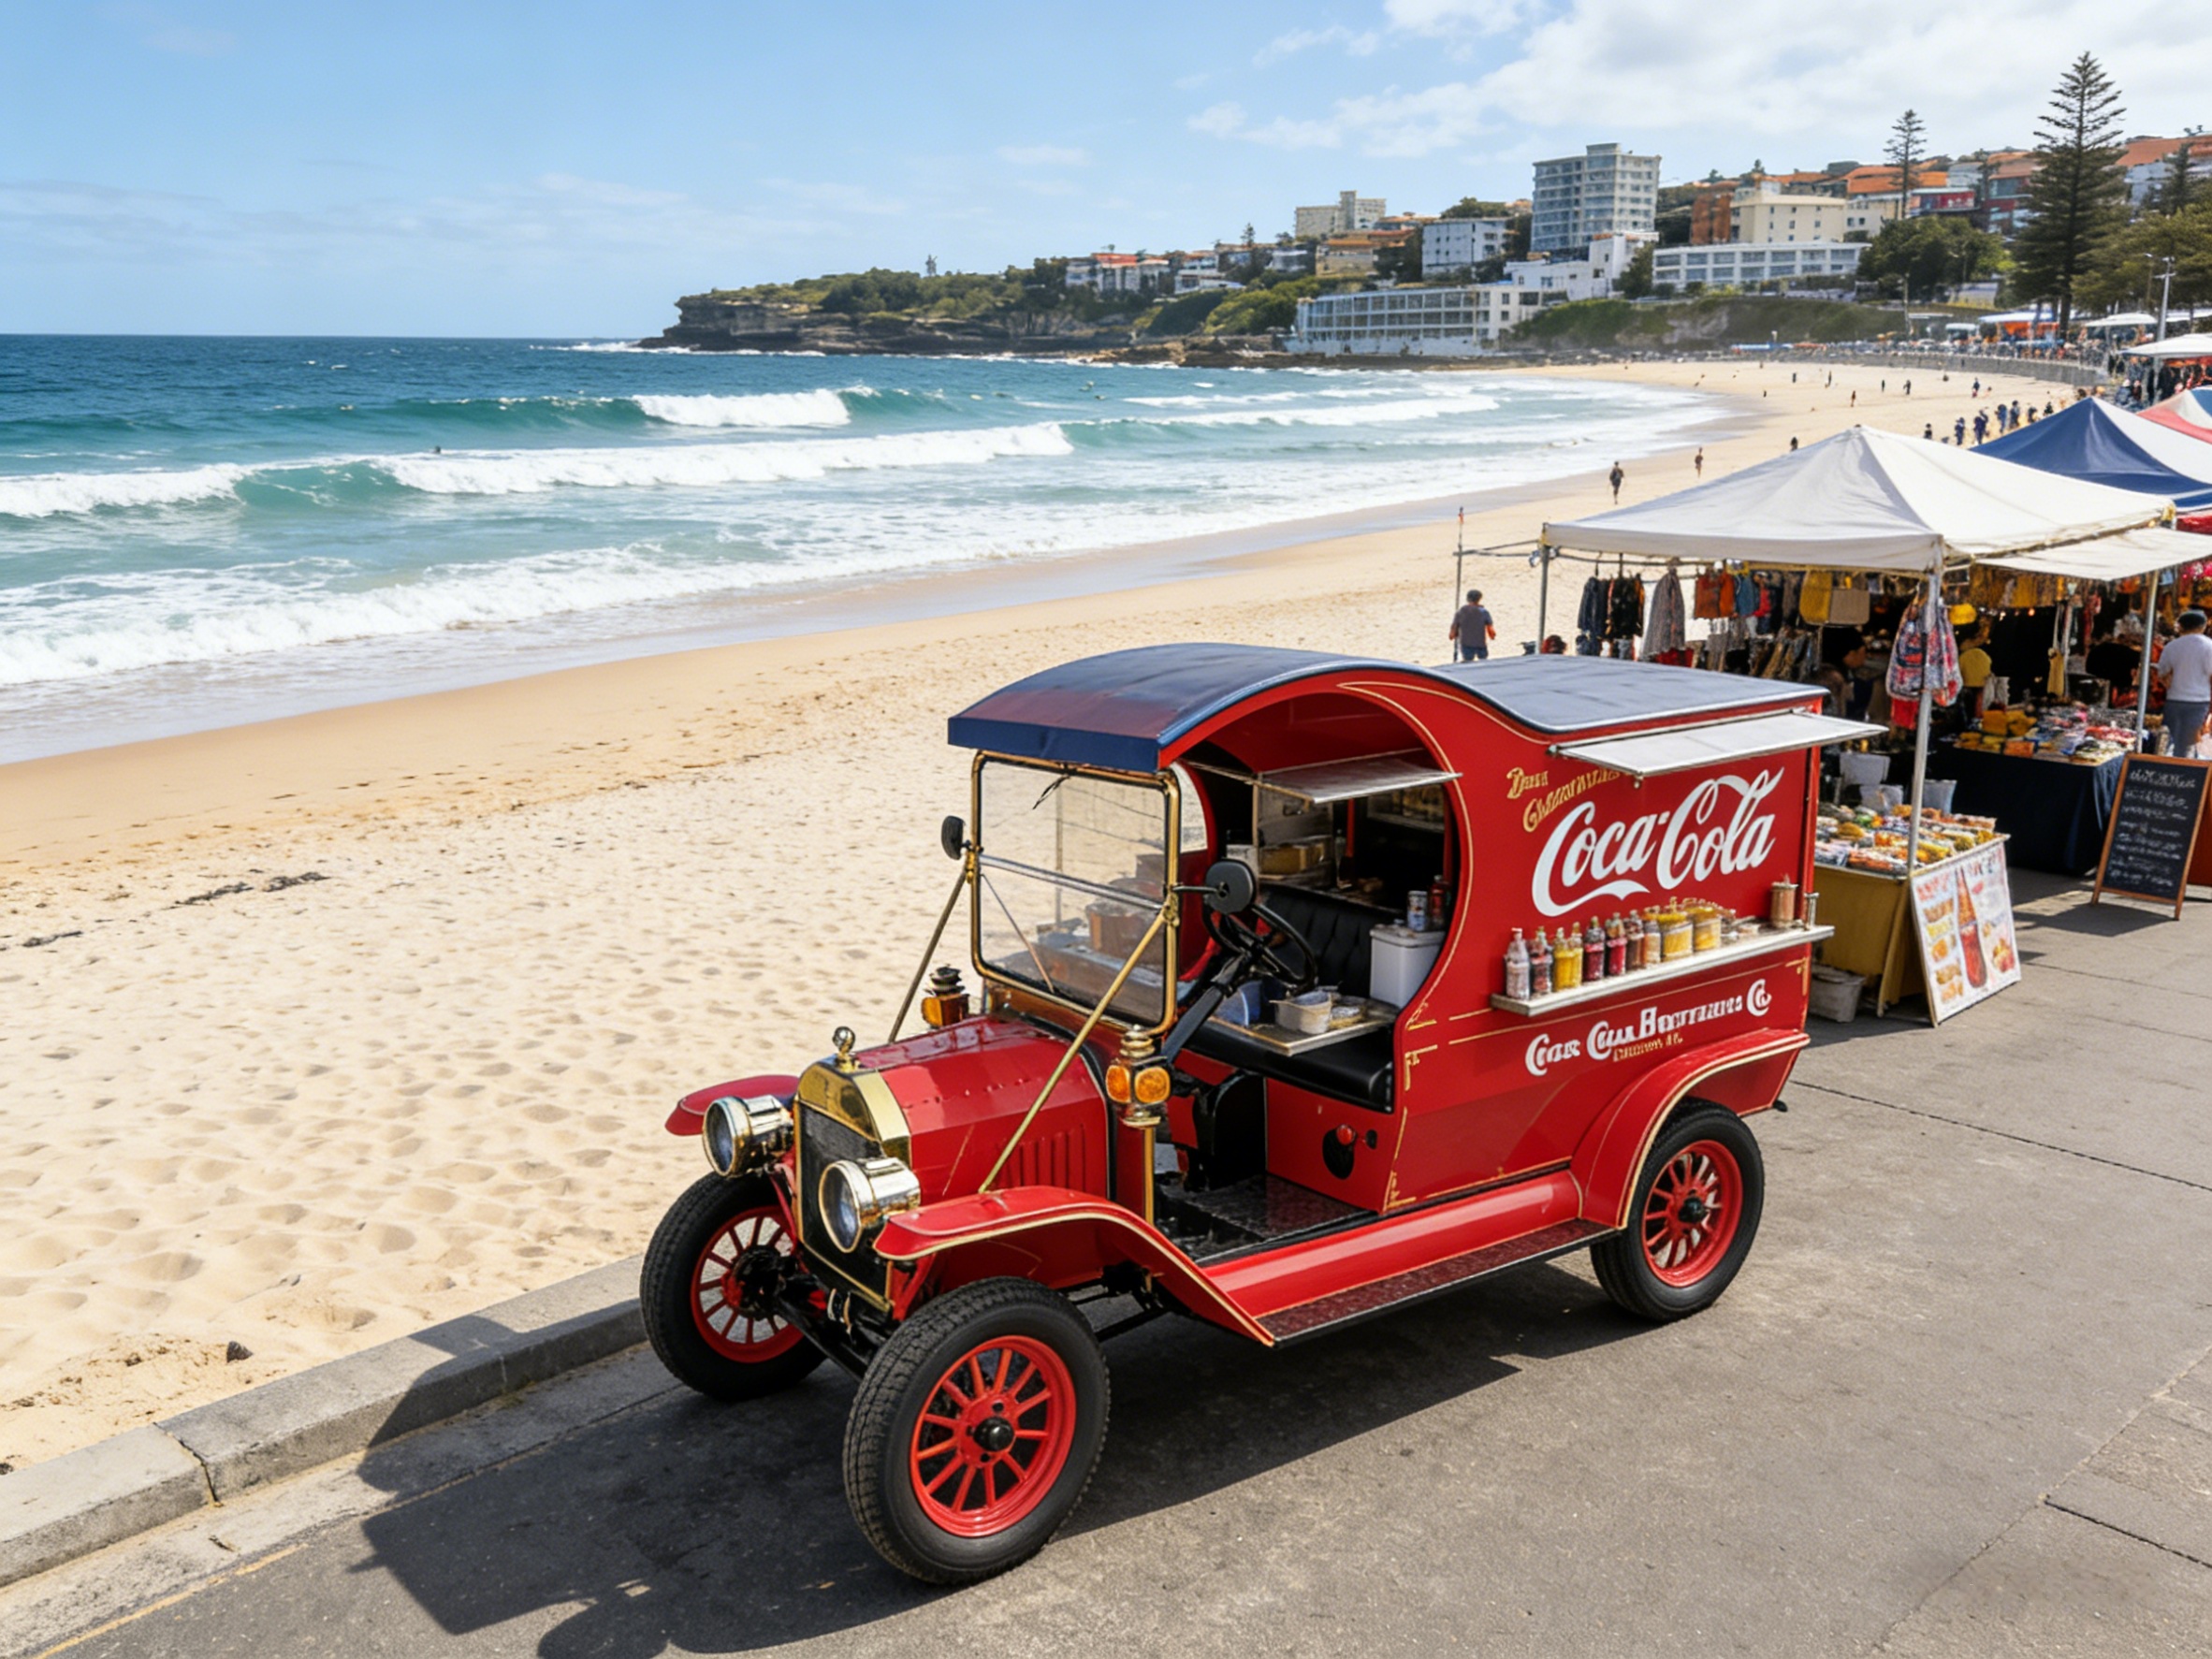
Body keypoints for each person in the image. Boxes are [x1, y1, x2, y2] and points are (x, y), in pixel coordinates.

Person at [2157, 610, 2212, 756]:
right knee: (2189, 745)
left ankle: (2167, 770)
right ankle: (2187, 773)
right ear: (2203, 626)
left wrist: (2173, 686)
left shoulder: (2172, 646)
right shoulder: (2209, 646)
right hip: (2199, 702)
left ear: (2180, 627)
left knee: (2168, 741)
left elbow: (2162, 674)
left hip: (2174, 700)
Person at [1448, 589, 1494, 663]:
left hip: (1466, 643)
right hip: (1480, 643)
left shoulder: (1461, 612)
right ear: (1479, 599)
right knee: (1483, 662)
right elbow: (1490, 627)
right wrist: (1492, 635)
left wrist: (1452, 635)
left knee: (1468, 662)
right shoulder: (1483, 612)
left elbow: (1453, 628)